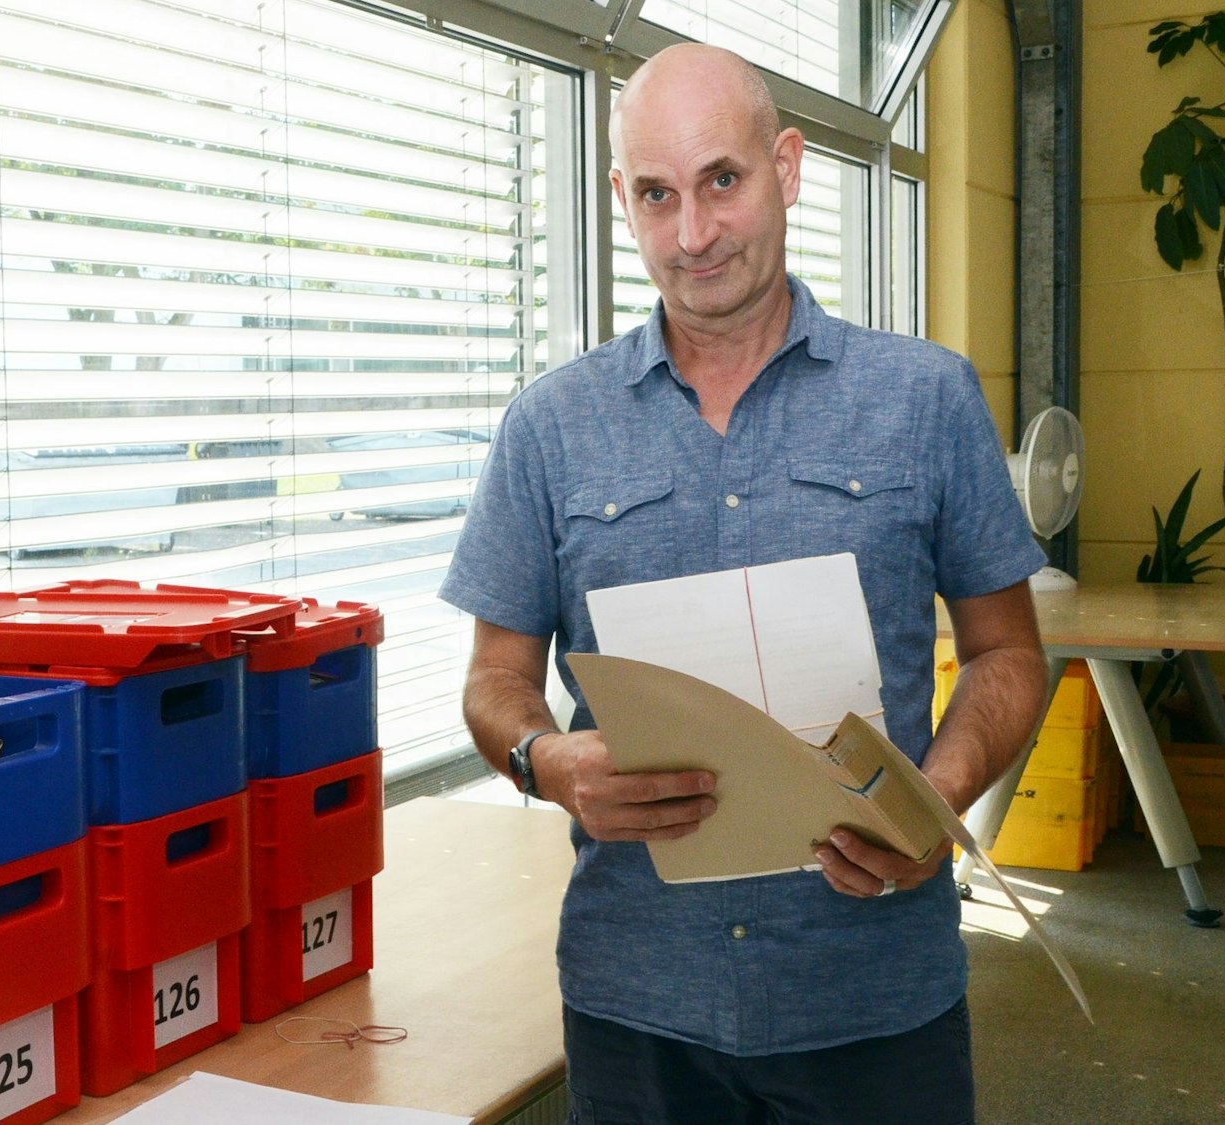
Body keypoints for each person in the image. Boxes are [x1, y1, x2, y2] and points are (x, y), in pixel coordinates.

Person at [437, 43, 1050, 1125]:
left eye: (721, 181)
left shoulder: (924, 399)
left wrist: (936, 798)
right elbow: (494, 679)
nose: (692, 236)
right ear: (619, 199)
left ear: (788, 166)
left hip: (869, 996)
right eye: (657, 196)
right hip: (638, 1003)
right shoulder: (549, 427)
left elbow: (1007, 652)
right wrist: (546, 761)